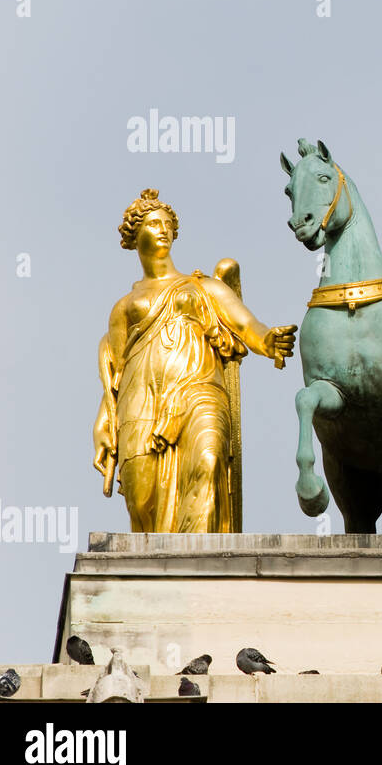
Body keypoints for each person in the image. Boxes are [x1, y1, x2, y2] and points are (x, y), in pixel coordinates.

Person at [92, 189, 295, 532]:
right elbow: (116, 373)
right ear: (134, 233)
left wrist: (268, 341)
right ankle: (156, 573)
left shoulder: (203, 287)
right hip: (140, 406)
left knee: (208, 459)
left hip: (199, 391)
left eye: (167, 224)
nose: (162, 229)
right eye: (153, 223)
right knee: (142, 502)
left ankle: (197, 561)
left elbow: (246, 325)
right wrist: (103, 424)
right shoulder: (123, 308)